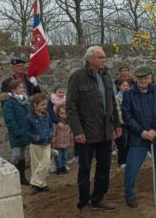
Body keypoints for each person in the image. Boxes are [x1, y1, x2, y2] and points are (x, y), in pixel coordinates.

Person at [66, 46, 121, 217]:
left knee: (104, 166)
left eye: (104, 57)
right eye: (100, 57)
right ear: (90, 59)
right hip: (86, 133)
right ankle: (84, 203)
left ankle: (98, 199)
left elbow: (112, 102)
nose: (104, 59)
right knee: (85, 169)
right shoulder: (77, 77)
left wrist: (117, 125)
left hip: (105, 131)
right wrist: (77, 131)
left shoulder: (105, 76)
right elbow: (71, 107)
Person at [122, 66, 156, 208]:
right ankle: (129, 193)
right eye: (140, 78)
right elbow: (127, 117)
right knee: (131, 167)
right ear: (136, 79)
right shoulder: (129, 94)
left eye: (146, 78)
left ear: (150, 78)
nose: (143, 81)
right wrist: (141, 131)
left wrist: (154, 129)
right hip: (138, 137)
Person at [2, 79, 31, 186]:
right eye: (20, 87)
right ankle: (5, 176)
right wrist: (17, 131)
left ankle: (22, 178)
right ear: (14, 90)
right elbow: (9, 119)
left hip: (25, 133)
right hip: (16, 134)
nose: (22, 89)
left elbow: (29, 117)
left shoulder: (25, 101)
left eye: (23, 87)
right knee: (15, 156)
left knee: (22, 156)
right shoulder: (9, 103)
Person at [24, 93, 53, 194]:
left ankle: (34, 183)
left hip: (47, 143)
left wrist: (50, 133)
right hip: (36, 144)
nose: (45, 107)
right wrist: (34, 137)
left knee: (46, 163)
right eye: (42, 105)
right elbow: (26, 131)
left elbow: (50, 126)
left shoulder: (47, 115)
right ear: (35, 105)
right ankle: (41, 185)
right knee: (36, 165)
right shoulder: (29, 118)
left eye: (45, 104)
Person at [52, 105, 72, 175]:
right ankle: (59, 168)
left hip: (66, 142)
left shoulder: (68, 122)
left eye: (65, 113)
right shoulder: (56, 123)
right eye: (62, 113)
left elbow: (70, 133)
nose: (64, 115)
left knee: (65, 156)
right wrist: (53, 141)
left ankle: (64, 167)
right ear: (58, 114)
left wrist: (71, 141)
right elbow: (54, 133)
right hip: (58, 143)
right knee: (58, 157)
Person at [115, 79, 130, 169]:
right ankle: (122, 161)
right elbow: (118, 112)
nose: (125, 87)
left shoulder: (130, 96)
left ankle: (128, 159)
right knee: (122, 143)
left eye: (127, 86)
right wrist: (122, 122)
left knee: (129, 142)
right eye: (123, 85)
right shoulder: (117, 98)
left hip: (129, 123)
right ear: (119, 87)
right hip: (122, 123)